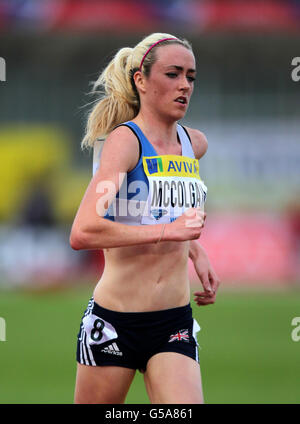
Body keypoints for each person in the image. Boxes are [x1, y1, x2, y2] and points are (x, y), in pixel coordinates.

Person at [70, 32, 220, 404]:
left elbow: (160, 209)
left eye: (191, 76)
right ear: (141, 80)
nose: (185, 85)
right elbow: (83, 231)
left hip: (174, 323)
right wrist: (168, 232)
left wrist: (195, 252)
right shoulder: (125, 142)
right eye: (173, 74)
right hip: (115, 322)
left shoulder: (194, 144)